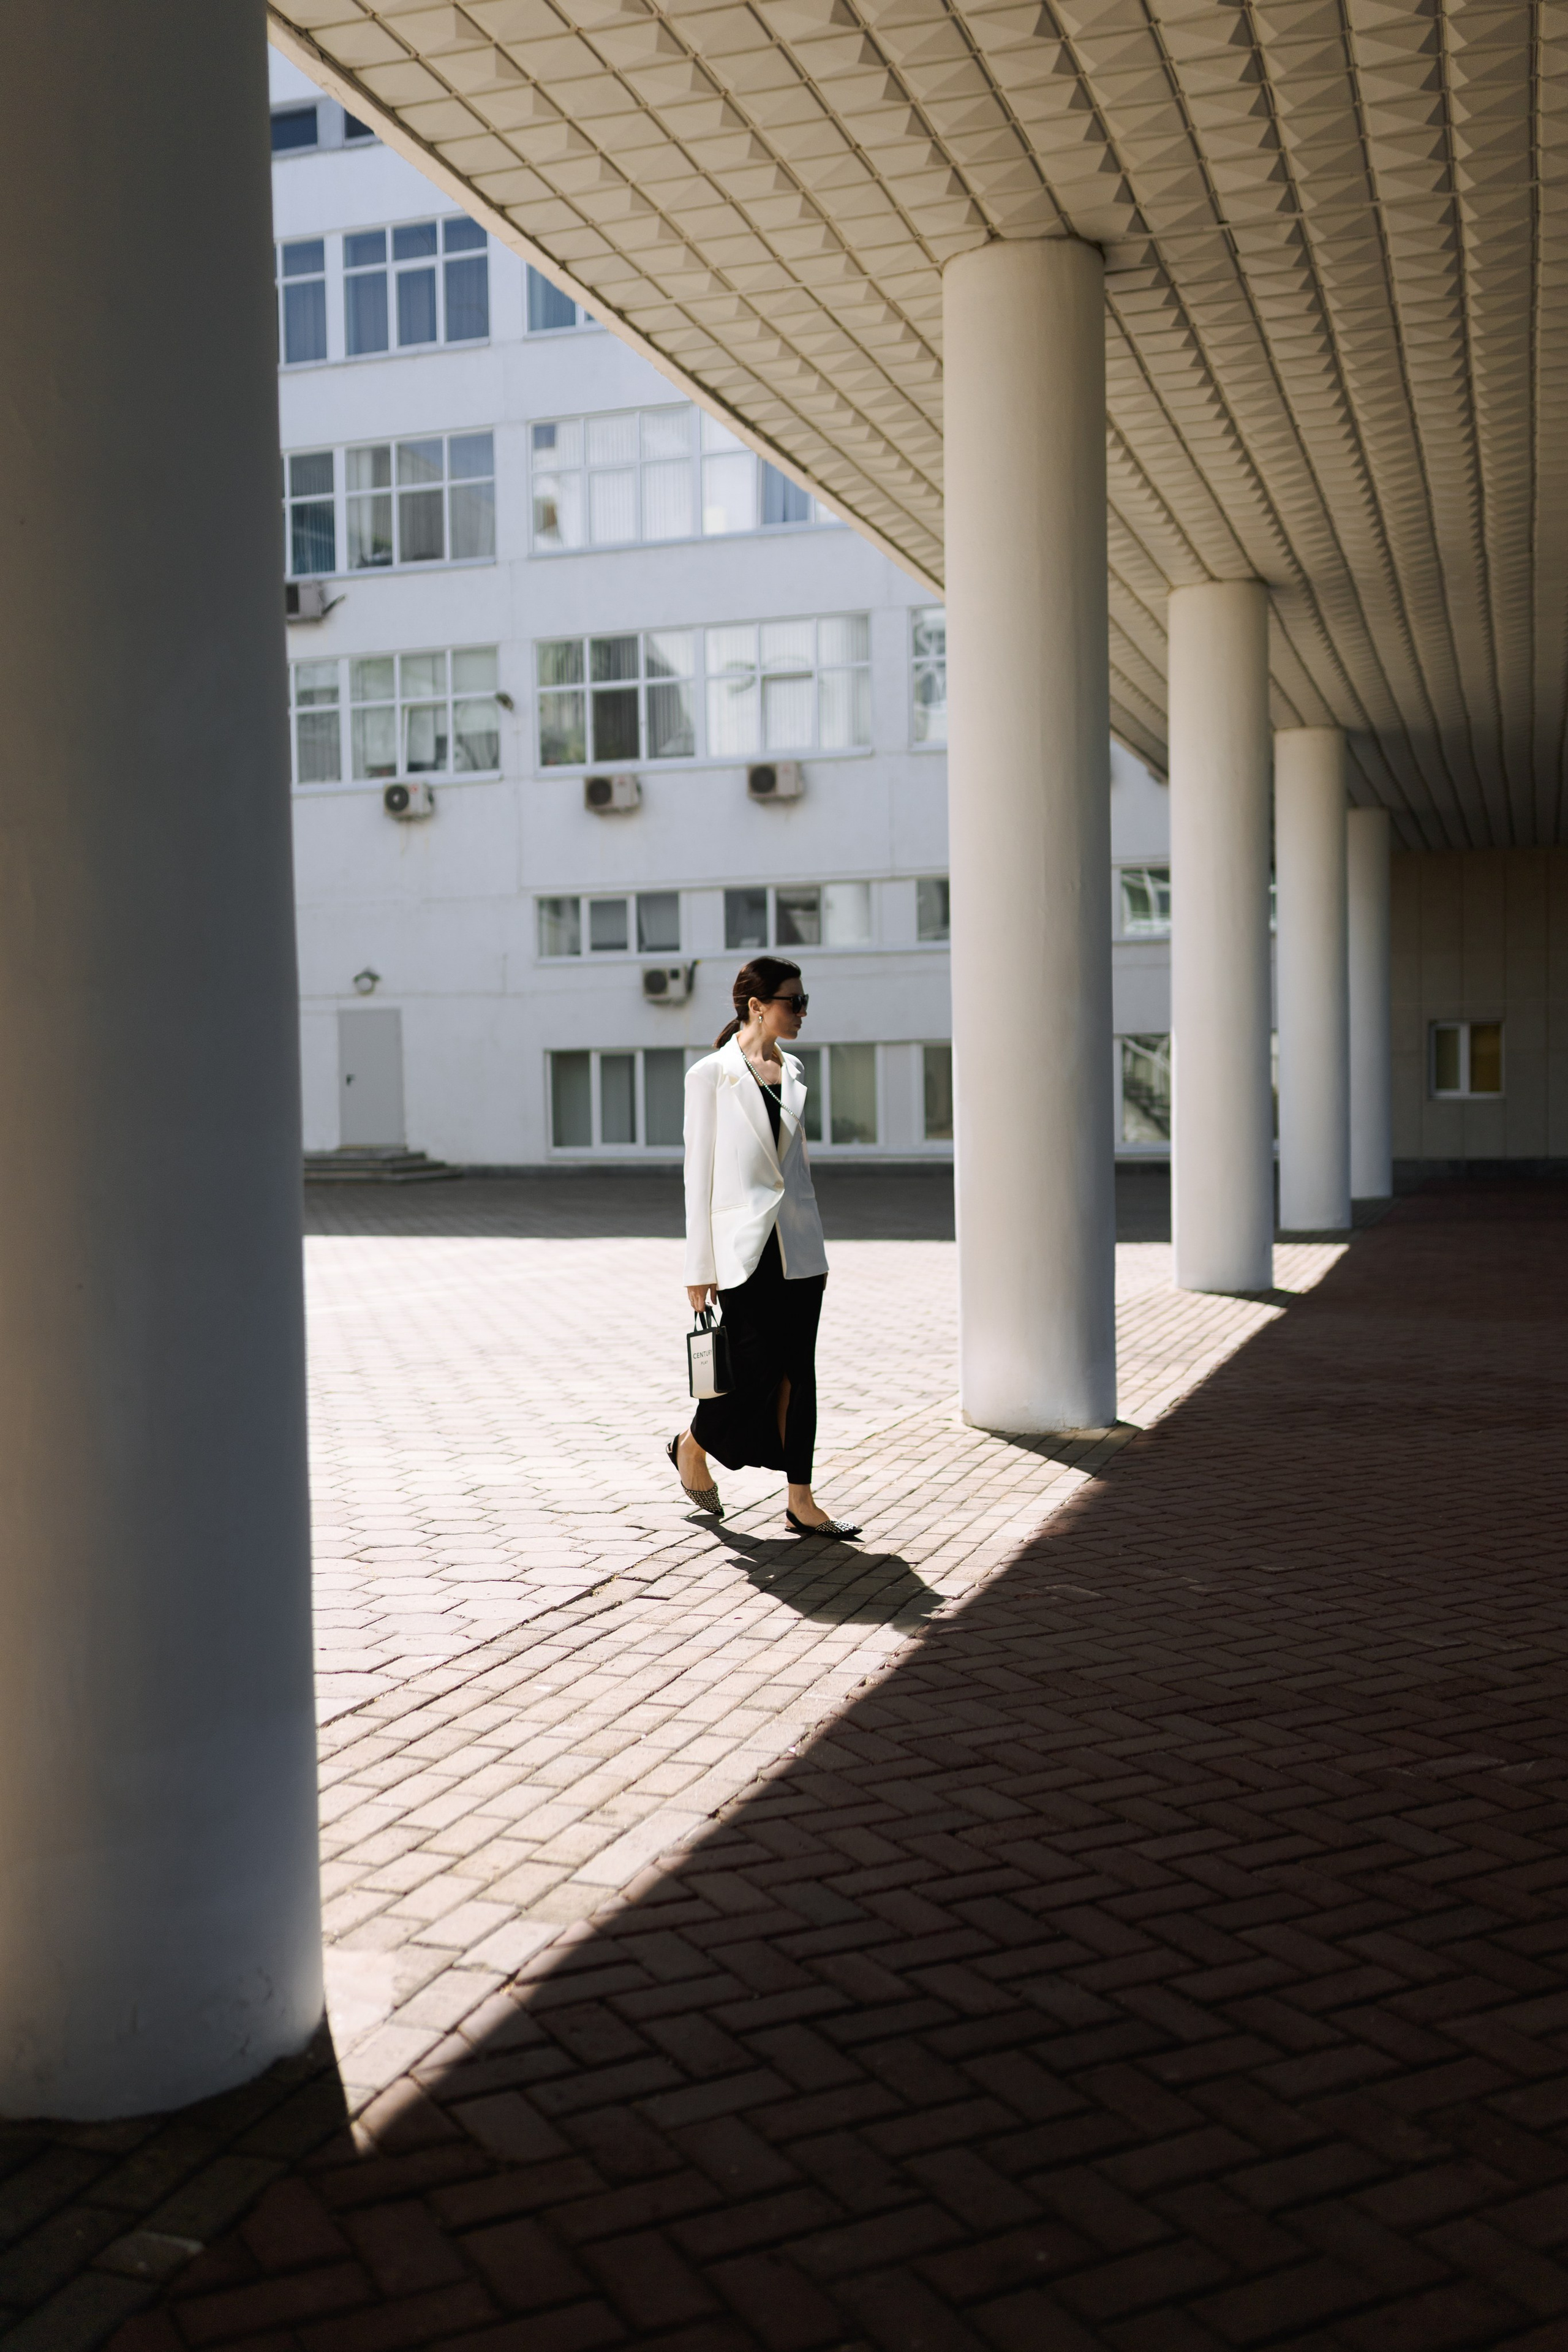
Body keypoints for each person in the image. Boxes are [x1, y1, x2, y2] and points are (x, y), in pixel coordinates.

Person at [668, 956, 861, 1537]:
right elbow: (696, 1175)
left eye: (804, 1002)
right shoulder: (710, 1076)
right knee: (751, 1373)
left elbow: (793, 1171)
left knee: (799, 1374)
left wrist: (814, 1242)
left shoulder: (795, 1069)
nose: (802, 1012)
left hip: (799, 1251)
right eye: (792, 1002)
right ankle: (691, 1446)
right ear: (758, 1006)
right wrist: (698, 1264)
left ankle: (800, 1499)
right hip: (742, 1252)